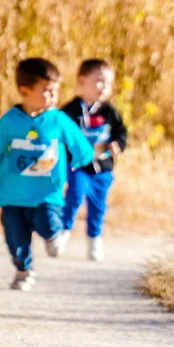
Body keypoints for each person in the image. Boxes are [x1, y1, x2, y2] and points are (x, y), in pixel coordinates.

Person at [0, 58, 95, 290]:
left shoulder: (57, 119)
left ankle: (53, 235)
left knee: (48, 224)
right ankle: (23, 270)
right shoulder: (9, 123)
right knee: (15, 239)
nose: (53, 97)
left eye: (55, 91)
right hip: (12, 197)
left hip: (47, 194)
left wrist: (82, 159)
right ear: (24, 92)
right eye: (46, 91)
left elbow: (79, 143)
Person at [60, 59, 128, 262]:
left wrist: (117, 144)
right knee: (75, 194)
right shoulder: (71, 110)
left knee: (98, 205)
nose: (104, 87)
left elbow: (121, 132)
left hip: (102, 167)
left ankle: (94, 238)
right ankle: (63, 231)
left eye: (108, 83)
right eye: (99, 81)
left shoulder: (109, 111)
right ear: (82, 81)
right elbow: (59, 132)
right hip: (78, 165)